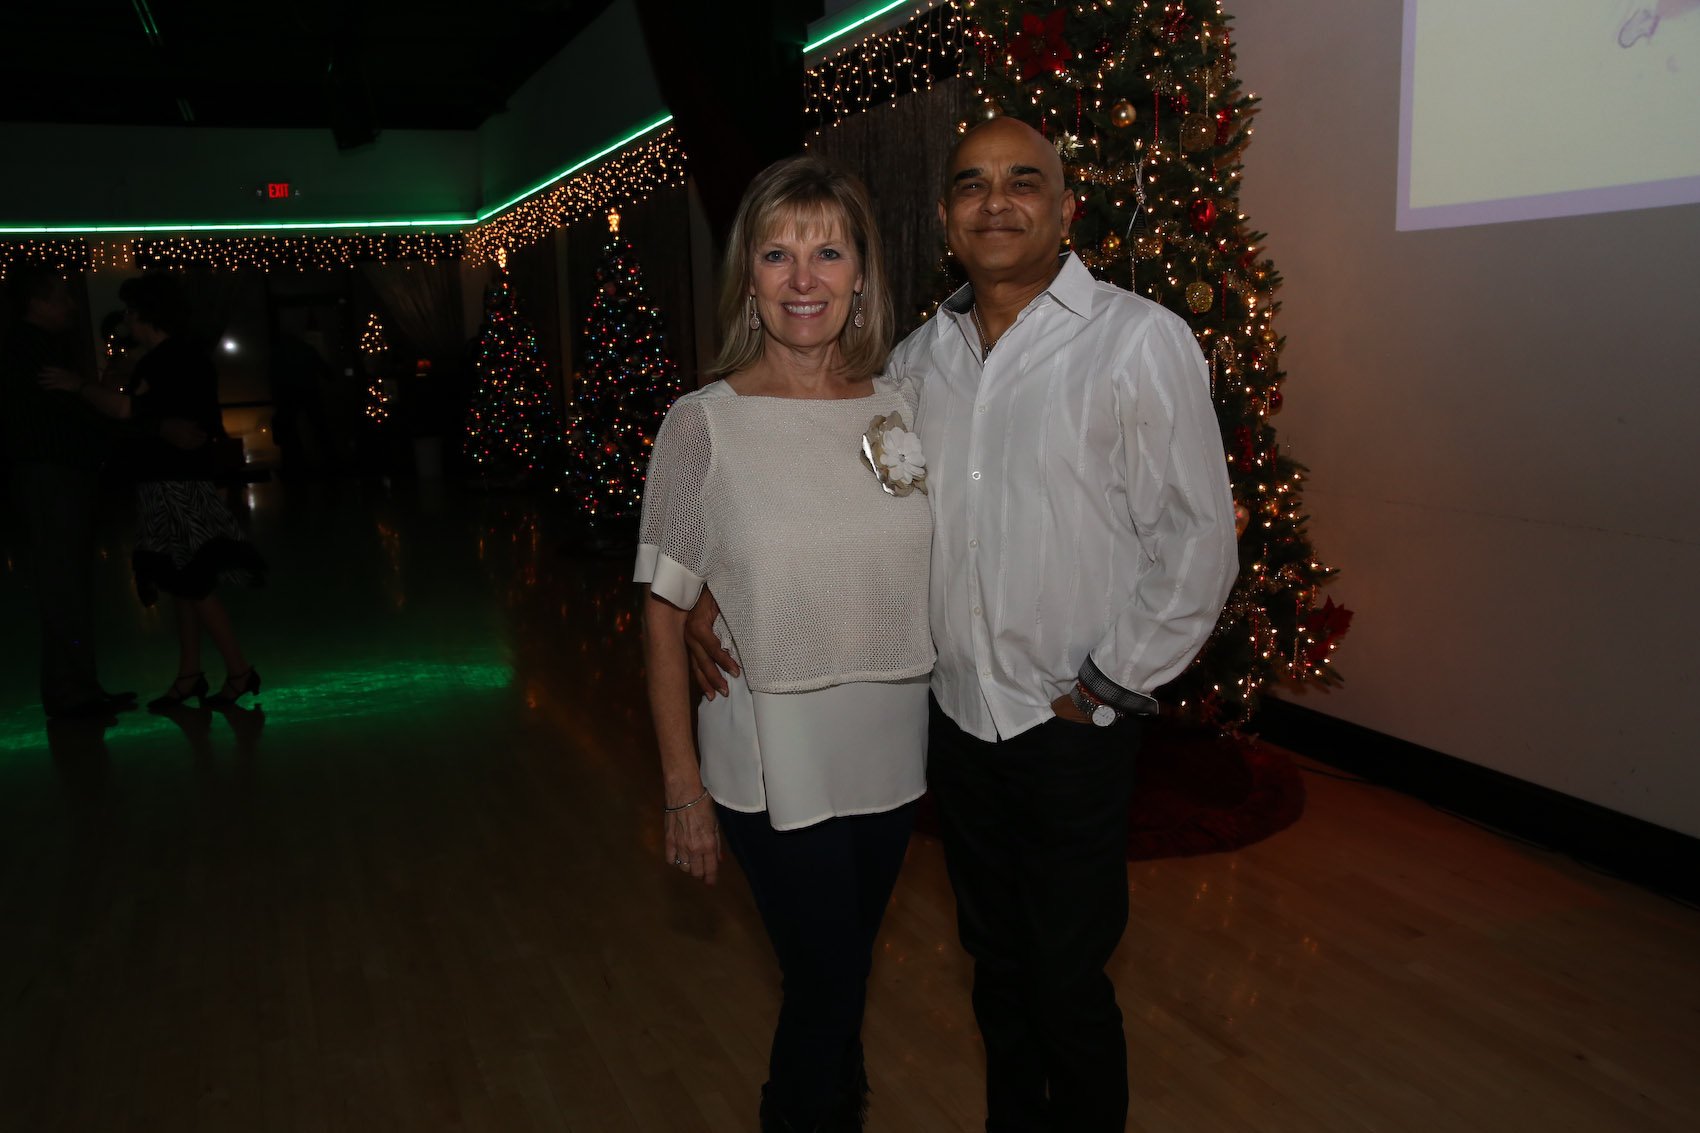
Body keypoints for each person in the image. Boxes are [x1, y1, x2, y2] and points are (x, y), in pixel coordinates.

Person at [690, 118, 1238, 1131]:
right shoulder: (914, 363)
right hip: (953, 723)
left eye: (1023, 180)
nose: (997, 201)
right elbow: (831, 501)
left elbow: (1199, 542)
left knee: (1066, 980)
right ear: (945, 218)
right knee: (993, 966)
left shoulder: (1137, 340)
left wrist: (1105, 684)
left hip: (1071, 719)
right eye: (972, 185)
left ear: (1064, 207)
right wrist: (718, 586)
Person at [636, 155, 933, 1133]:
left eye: (827, 253)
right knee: (825, 983)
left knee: (839, 976)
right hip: (772, 753)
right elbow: (662, 609)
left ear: (861, 275)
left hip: (890, 747)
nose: (803, 278)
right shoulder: (702, 426)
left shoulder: (902, 405)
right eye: (777, 254)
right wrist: (681, 785)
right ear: (748, 279)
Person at [42, 273, 266, 711]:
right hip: (174, 479)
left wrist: (80, 386)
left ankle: (238, 671)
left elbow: (130, 411)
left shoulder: (169, 360)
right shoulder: (174, 357)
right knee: (183, 579)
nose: (126, 319)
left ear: (147, 315)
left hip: (173, 482)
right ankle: (190, 675)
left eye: (131, 311)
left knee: (193, 580)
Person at [0, 268, 135, 719]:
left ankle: (77, 688)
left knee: (67, 583)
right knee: (64, 584)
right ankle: (71, 693)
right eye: (61, 298)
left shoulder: (31, 346)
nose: (70, 306)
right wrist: (105, 411)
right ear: (36, 303)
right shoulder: (32, 349)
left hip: (52, 476)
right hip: (52, 477)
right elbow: (66, 415)